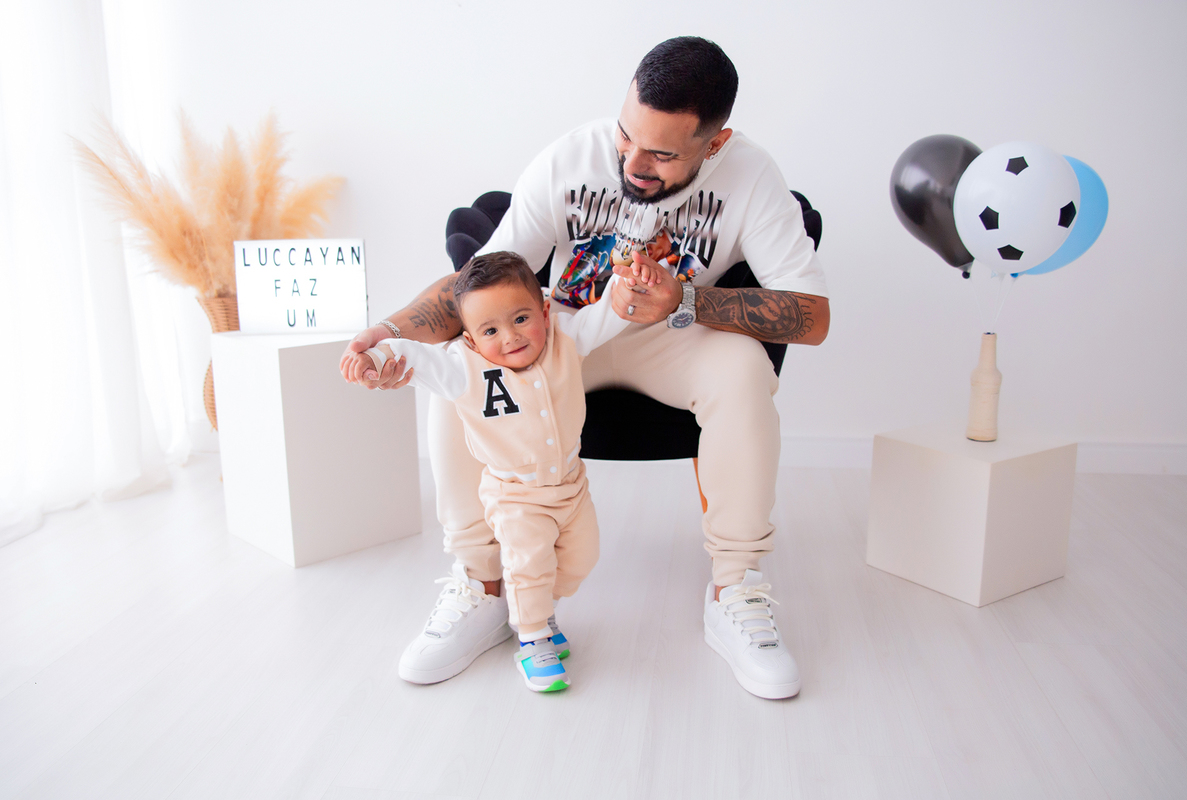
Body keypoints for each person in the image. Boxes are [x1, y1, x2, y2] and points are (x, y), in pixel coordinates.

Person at [340, 36, 830, 700]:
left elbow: (813, 315)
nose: (633, 162)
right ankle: (483, 587)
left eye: (661, 153)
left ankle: (735, 590)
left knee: (743, 369)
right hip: (569, 336)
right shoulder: (571, 158)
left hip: (675, 334)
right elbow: (471, 287)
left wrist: (687, 298)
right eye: (627, 136)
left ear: (714, 145)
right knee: (466, 371)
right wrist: (392, 330)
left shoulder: (751, 175)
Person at [350, 250, 630, 691]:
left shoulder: (565, 337)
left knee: (582, 557)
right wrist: (378, 356)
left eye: (521, 319)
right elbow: (412, 354)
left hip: (571, 487)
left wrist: (629, 283)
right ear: (472, 339)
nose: (511, 337)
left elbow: (607, 313)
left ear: (543, 309)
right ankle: (533, 640)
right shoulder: (463, 366)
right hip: (515, 495)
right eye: (490, 330)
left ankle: (537, 608)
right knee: (529, 564)